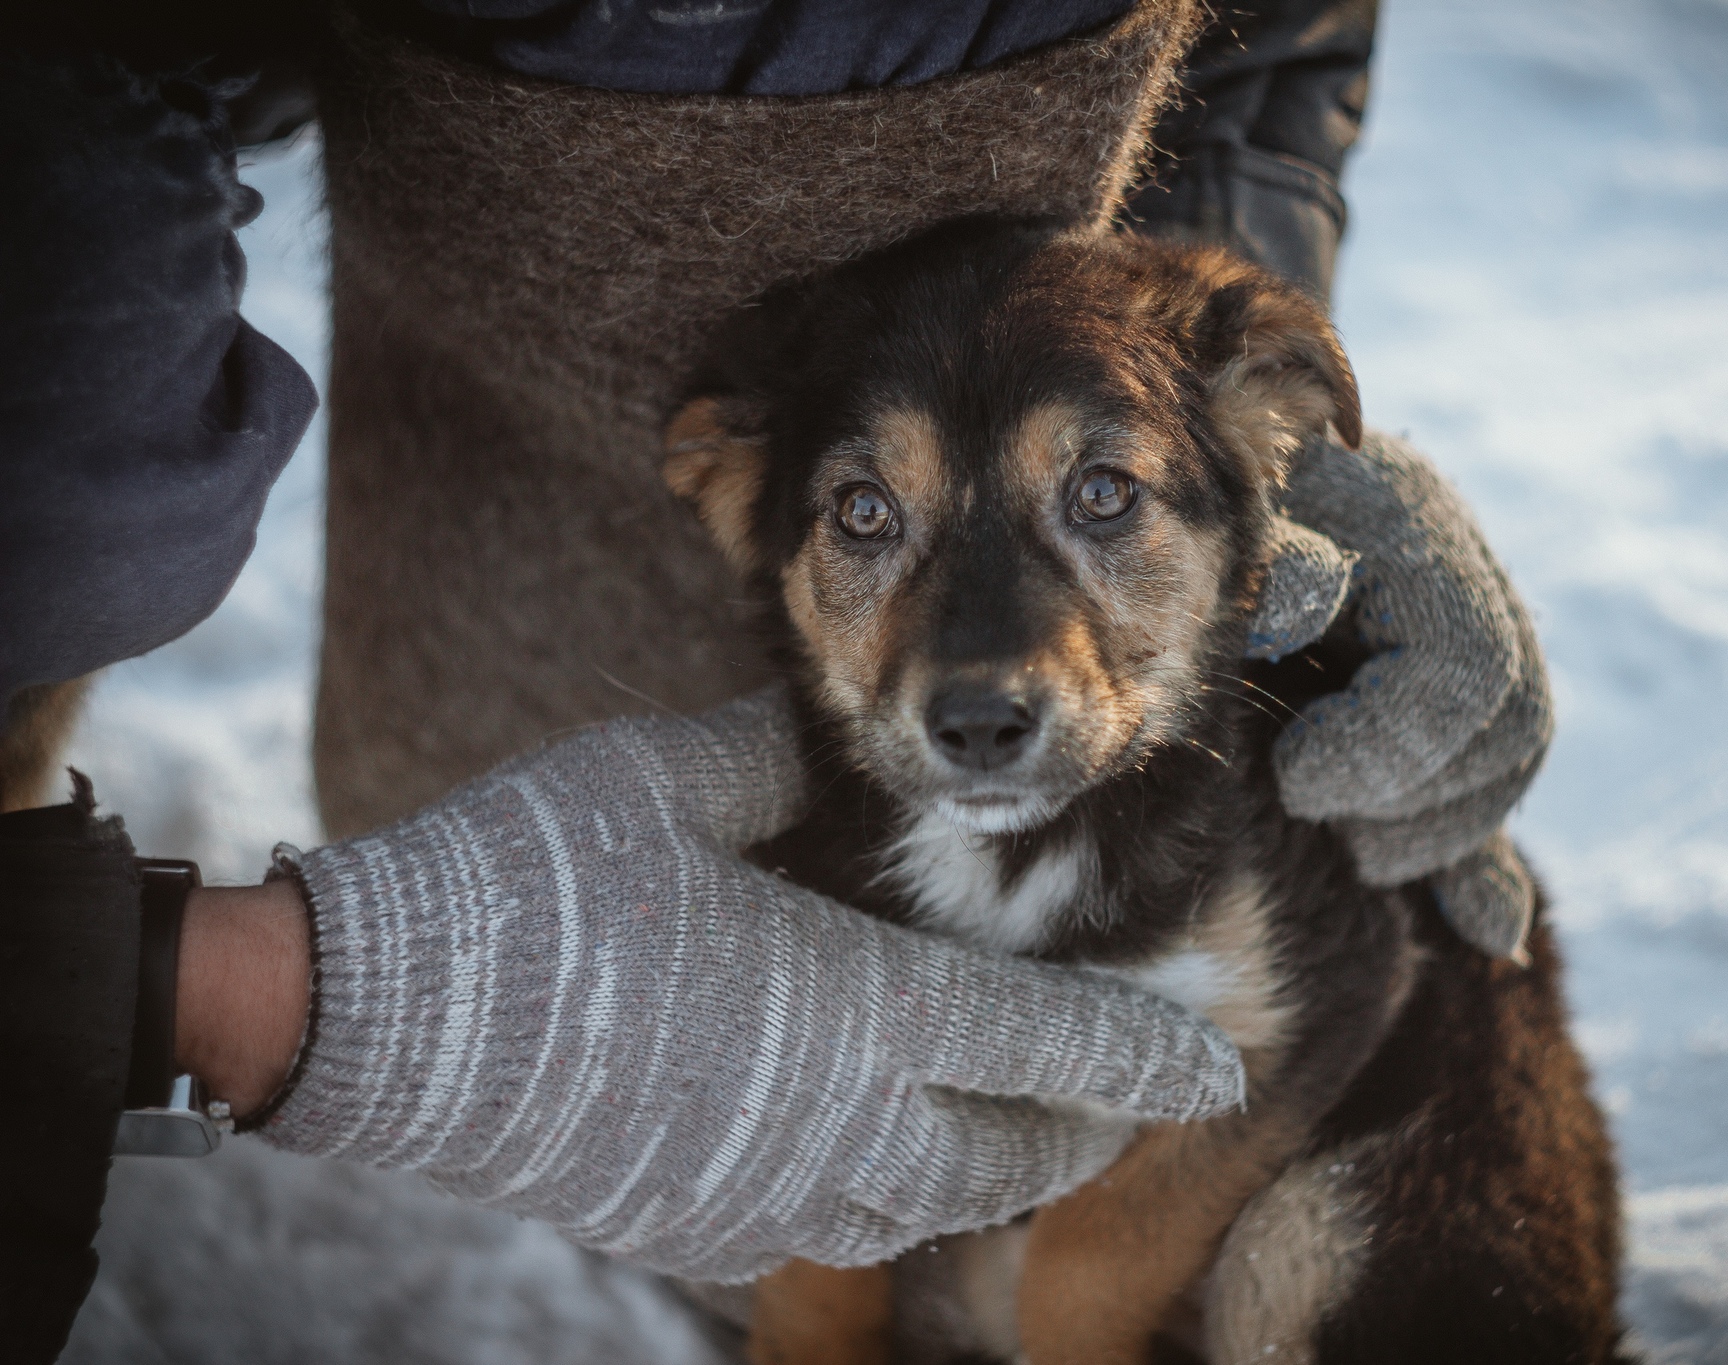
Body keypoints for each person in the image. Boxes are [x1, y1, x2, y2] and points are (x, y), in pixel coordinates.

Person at [1, 2, 1555, 1359]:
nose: (992, 663)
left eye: (1098, 501)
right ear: (739, 492)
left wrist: (1256, 413)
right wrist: (269, 986)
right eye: (871, 517)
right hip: (501, 564)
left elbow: (1268, 29)